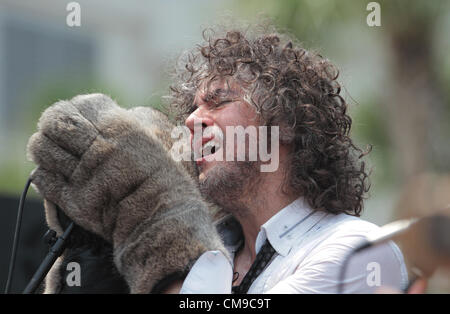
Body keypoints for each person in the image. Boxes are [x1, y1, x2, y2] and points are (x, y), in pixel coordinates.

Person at [27, 23, 408, 294]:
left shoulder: (357, 251)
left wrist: (155, 212)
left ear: (287, 124)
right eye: (191, 108)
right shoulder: (209, 252)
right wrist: (99, 245)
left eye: (220, 101)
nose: (192, 120)